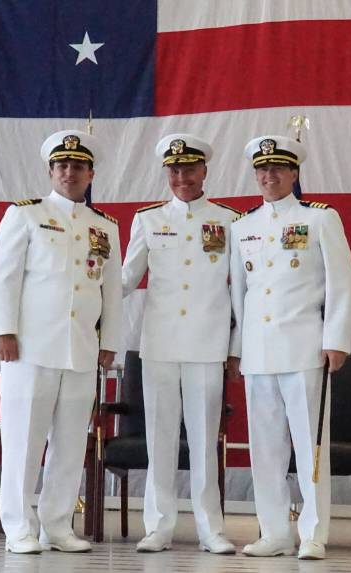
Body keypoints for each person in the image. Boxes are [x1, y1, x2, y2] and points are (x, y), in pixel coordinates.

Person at [0, 130, 122, 554]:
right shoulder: (25, 214)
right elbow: (2, 277)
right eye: (62, 165)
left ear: (90, 174)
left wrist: (110, 341)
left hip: (80, 349)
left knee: (68, 446)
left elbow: (111, 291)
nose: (69, 172)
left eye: (78, 166)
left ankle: (58, 525)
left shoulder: (105, 226)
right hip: (30, 349)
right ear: (50, 171)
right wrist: (3, 331)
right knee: (24, 443)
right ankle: (18, 527)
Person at [227, 135, 351, 560]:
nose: (270, 176)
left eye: (279, 169)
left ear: (294, 173)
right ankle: (274, 532)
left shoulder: (320, 219)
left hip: (304, 347)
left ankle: (314, 532)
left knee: (310, 445)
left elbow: (343, 283)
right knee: (265, 448)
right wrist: (238, 348)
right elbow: (240, 297)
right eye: (263, 170)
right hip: (259, 351)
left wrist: (336, 339)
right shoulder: (241, 227)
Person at [121, 134, 240, 554]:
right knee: (160, 437)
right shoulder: (148, 220)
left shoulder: (229, 220)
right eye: (174, 170)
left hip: (208, 345)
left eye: (190, 169)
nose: (182, 177)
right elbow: (125, 279)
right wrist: (79, 298)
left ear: (205, 171)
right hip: (160, 345)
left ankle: (211, 528)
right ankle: (159, 525)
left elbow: (241, 292)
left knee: (206, 442)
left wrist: (235, 347)